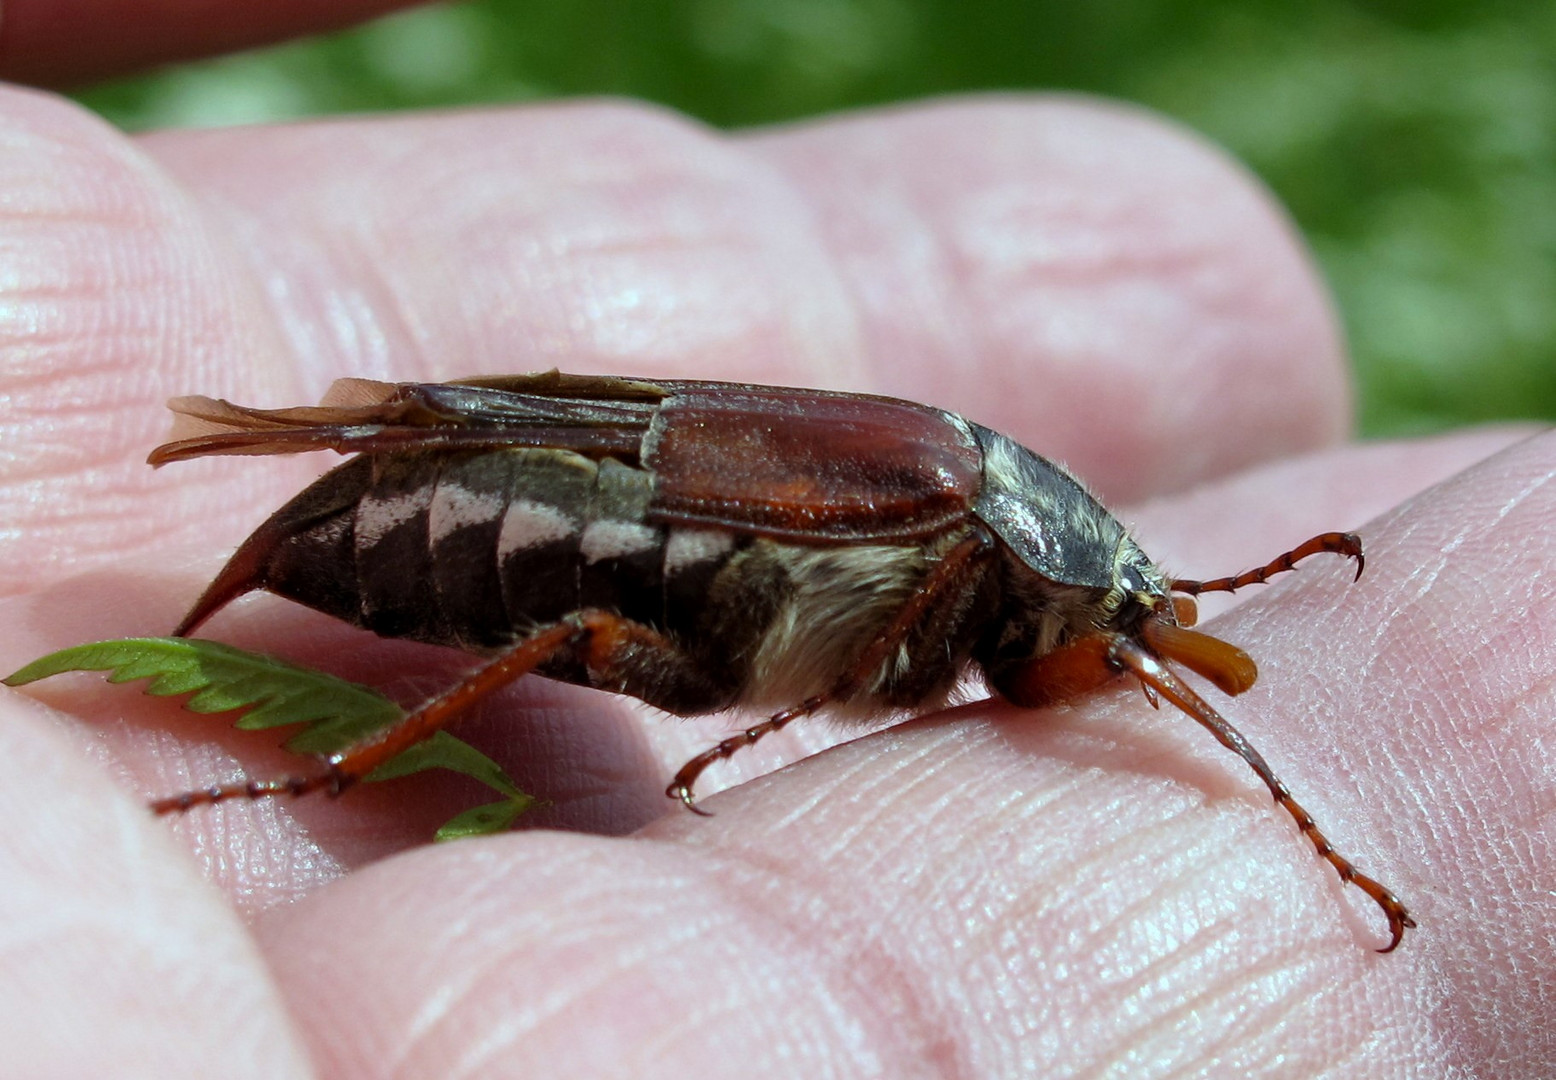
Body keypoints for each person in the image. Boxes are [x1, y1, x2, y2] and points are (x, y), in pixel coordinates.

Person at [0, 4, 1549, 1076]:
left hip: (574, 500)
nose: (1118, 664)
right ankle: (318, 778)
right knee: (575, 638)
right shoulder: (948, 507)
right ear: (1050, 567)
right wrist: (1286, 801)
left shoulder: (987, 523)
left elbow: (1038, 666)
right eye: (1123, 627)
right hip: (501, 515)